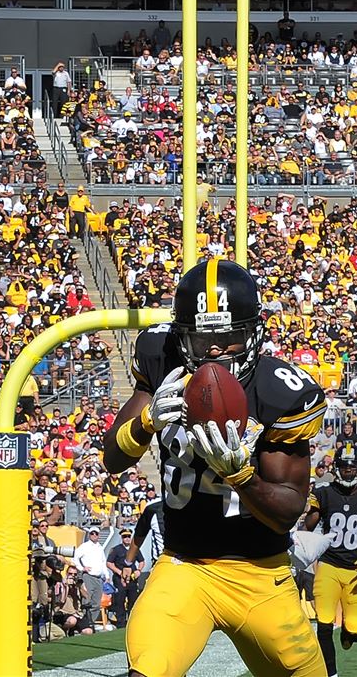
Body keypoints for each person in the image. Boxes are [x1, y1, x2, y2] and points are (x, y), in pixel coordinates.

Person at [102, 258, 328, 677]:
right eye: (204, 339)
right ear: (182, 337)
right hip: (185, 566)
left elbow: (287, 512)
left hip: (260, 574)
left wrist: (241, 475)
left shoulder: (279, 391)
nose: (216, 351)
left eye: (229, 337)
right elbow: (113, 460)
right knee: (148, 669)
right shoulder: (160, 355)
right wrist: (146, 421)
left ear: (254, 332)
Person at [301, 444, 357, 677]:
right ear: (337, 468)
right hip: (329, 566)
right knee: (323, 623)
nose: (348, 471)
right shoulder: (324, 493)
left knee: (356, 631)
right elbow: (307, 528)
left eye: (352, 467)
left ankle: (348, 635)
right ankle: (331, 673)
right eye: (343, 467)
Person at [106, 529, 144, 628]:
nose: (127, 538)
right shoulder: (116, 549)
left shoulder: (135, 549)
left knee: (133, 600)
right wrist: (119, 572)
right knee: (120, 601)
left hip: (132, 579)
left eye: (128, 536)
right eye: (124, 536)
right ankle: (121, 623)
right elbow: (109, 563)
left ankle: (132, 622)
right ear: (121, 538)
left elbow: (141, 561)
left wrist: (139, 570)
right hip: (120, 579)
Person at [72, 527, 107, 629]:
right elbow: (75, 558)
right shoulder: (84, 546)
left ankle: (92, 622)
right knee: (87, 600)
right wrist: (82, 568)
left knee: (96, 602)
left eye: (96, 533)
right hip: (88, 576)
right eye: (92, 533)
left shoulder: (100, 547)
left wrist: (107, 575)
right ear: (89, 534)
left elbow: (103, 562)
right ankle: (84, 623)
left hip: (99, 577)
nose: (94, 535)